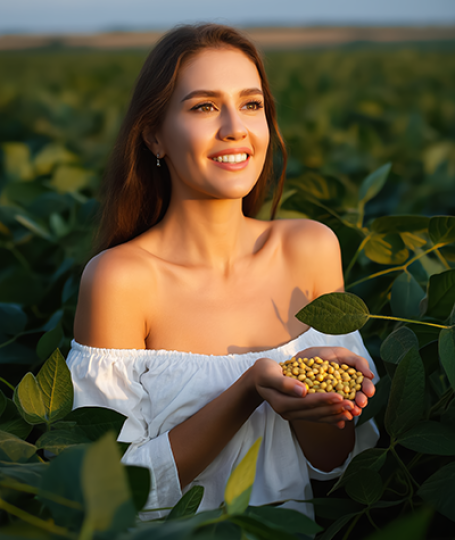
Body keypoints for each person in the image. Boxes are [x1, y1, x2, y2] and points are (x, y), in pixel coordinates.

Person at [66, 23, 379, 520]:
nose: (235, 126)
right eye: (204, 106)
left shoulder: (311, 247)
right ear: (154, 135)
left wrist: (326, 399)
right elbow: (111, 493)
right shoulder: (120, 280)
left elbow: (334, 467)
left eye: (251, 104)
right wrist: (249, 389)